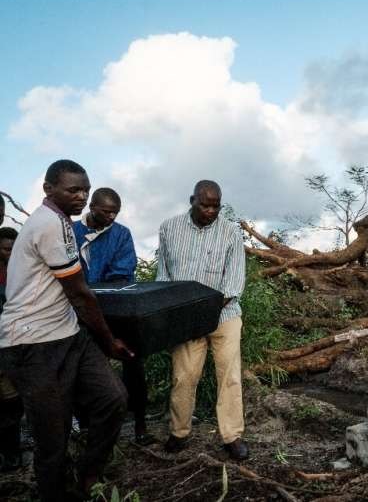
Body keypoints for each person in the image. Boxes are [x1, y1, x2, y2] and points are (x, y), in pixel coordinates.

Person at [0, 160, 132, 501]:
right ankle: (55, 492)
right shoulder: (48, 225)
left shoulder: (62, 223)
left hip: (68, 333)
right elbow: (79, 293)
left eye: (84, 190)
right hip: (34, 342)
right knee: (51, 439)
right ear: (48, 189)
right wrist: (109, 342)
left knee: (112, 398)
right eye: (73, 190)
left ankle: (87, 475)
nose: (81, 196)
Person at [156, 180, 247, 460]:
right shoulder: (169, 228)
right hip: (185, 320)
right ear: (192, 200)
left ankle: (232, 437)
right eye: (205, 204)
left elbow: (233, 284)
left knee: (229, 377)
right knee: (184, 376)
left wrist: (204, 312)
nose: (210, 211)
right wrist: (177, 314)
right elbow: (164, 277)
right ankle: (179, 432)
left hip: (224, 315)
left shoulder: (231, 232)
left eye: (216, 206)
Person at [73, 188, 154, 445]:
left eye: (115, 212)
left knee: (133, 364)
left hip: (117, 311)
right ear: (92, 207)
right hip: (80, 314)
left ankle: (140, 425)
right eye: (106, 211)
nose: (111, 217)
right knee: (82, 370)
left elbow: (122, 273)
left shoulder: (121, 234)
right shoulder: (72, 233)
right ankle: (87, 428)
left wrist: (95, 290)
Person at [0, 226, 23, 472]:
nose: (11, 253)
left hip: (16, 345)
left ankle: (12, 454)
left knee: (12, 403)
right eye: (7, 249)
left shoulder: (20, 271)